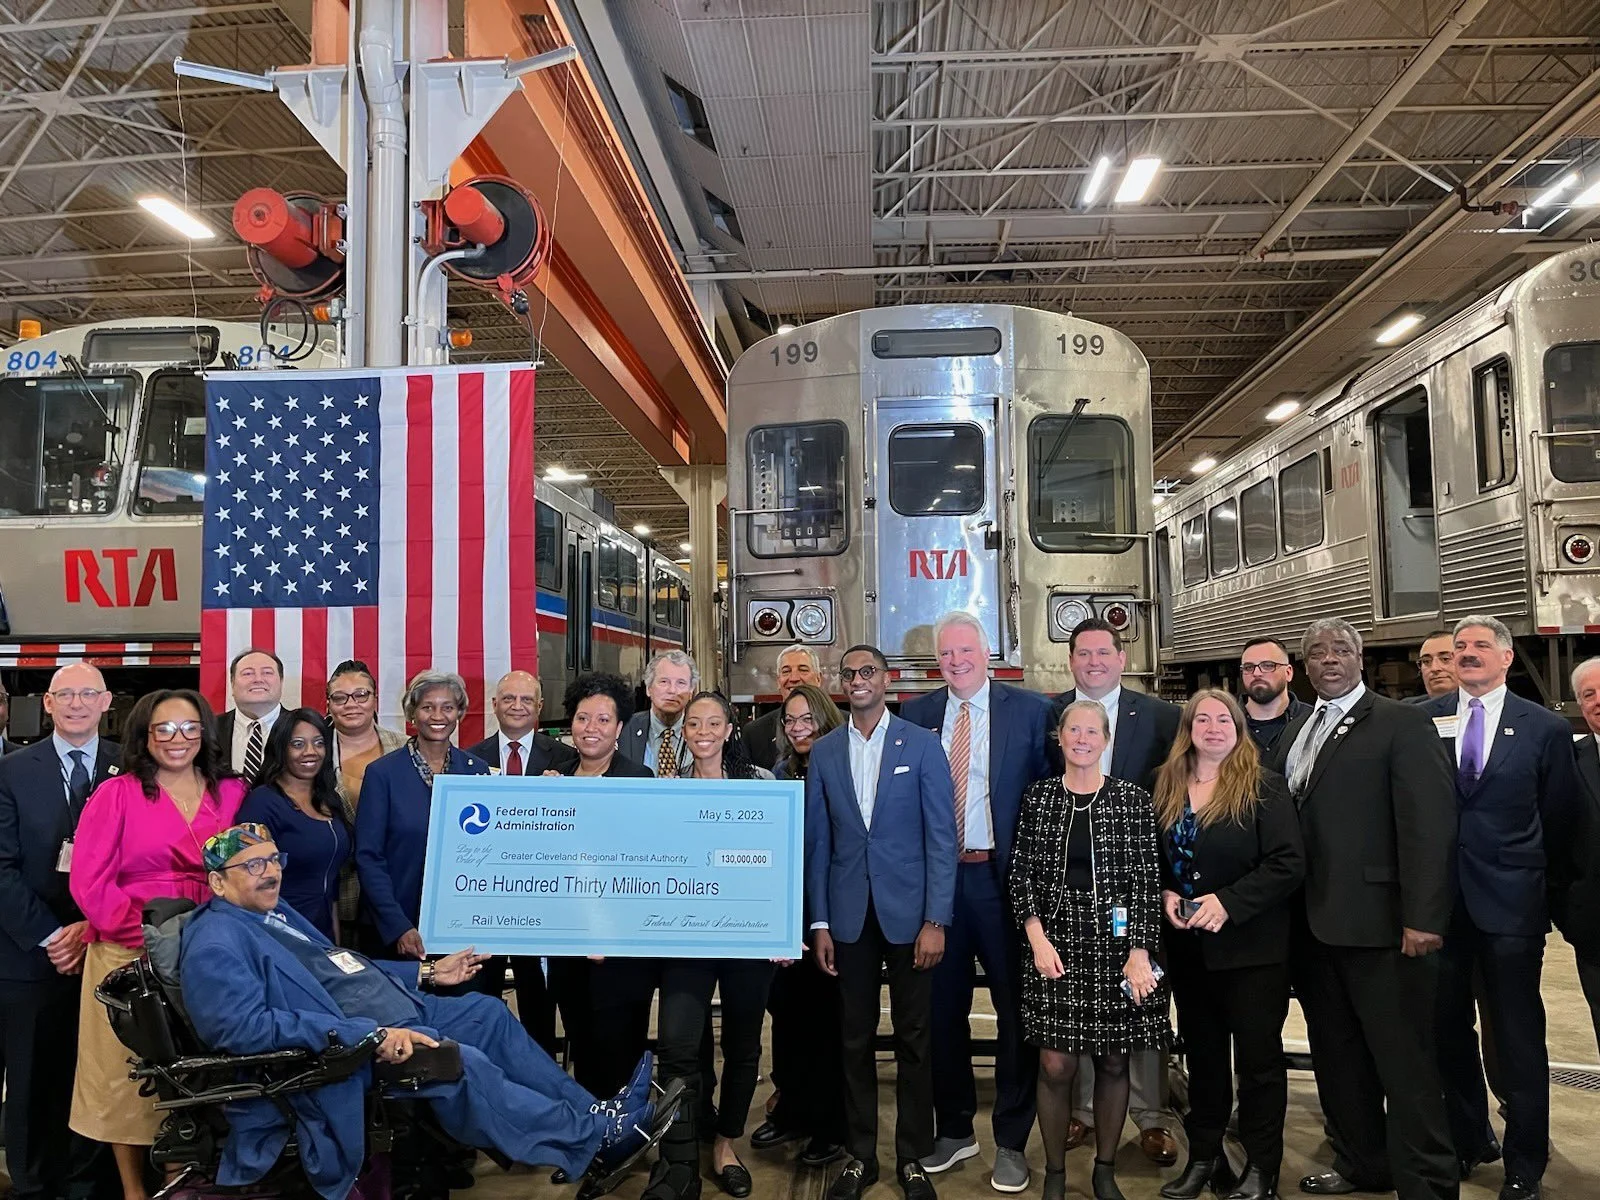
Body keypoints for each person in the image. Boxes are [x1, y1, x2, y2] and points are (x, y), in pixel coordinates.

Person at [179, 824, 669, 1200]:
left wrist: (428, 974)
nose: (270, 871)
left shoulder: (273, 912)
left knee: (485, 1012)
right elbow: (241, 1028)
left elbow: (343, 966)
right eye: (252, 866)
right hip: (343, 1051)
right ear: (218, 883)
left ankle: (598, 1113)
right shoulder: (215, 941)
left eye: (272, 859)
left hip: (395, 1006)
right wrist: (362, 1035)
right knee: (456, 1059)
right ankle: (594, 1140)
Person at [1265, 618, 1457, 1200]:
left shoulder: (1401, 722)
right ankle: (1362, 1164)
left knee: (1404, 1063)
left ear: (1361, 658)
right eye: (1317, 652)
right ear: (1302, 666)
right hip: (1313, 927)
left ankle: (1426, 1180)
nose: (1329, 659)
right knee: (1337, 1058)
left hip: (1381, 926)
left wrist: (1423, 916)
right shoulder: (1298, 729)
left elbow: (1428, 825)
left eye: (1341, 649)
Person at [1422, 616, 1581, 1200]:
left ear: (1507, 658)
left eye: (1480, 646)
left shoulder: (1542, 728)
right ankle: (1468, 1139)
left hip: (1511, 908)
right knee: (1446, 1030)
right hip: (1439, 907)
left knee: (1516, 1036)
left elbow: (1560, 818)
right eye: (1459, 646)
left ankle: (1524, 1164)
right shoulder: (1421, 719)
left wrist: (1541, 893)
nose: (1466, 655)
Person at [68, 688, 246, 1200]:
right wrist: (146, 936)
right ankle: (132, 1190)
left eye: (189, 727)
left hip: (207, 951)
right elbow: (88, 882)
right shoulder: (116, 793)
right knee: (124, 1076)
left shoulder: (229, 793)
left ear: (205, 734)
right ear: (145, 737)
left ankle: (181, 1178)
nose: (177, 739)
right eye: (163, 729)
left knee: (197, 1071)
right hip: (129, 954)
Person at [901, 611, 1052, 1192]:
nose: (957, 661)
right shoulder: (915, 716)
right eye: (947, 654)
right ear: (936, 660)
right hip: (940, 887)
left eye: (967, 651)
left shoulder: (1032, 712)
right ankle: (955, 1128)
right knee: (940, 1013)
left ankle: (1012, 1140)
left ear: (986, 653)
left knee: (1017, 1013)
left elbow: (1045, 803)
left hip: (1004, 883)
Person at [806, 644, 956, 1200]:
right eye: (849, 674)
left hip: (911, 917)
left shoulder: (921, 746)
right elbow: (819, 845)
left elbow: (942, 838)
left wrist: (936, 918)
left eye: (867, 671)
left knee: (916, 1037)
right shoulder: (824, 754)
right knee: (854, 1038)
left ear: (886, 679)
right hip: (849, 918)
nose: (858, 680)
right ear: (841, 684)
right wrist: (820, 922)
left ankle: (912, 1155)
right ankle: (860, 1154)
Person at [1012, 699, 1167, 1200]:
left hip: (1116, 943)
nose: (1081, 738)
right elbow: (1021, 876)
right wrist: (1035, 937)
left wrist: (1140, 949)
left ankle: (1104, 1169)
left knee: (1115, 1060)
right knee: (1056, 1065)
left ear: (1106, 740)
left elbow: (1146, 881)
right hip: (1053, 941)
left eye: (1091, 731)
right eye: (1072, 730)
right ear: (1060, 738)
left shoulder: (1131, 800)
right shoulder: (1038, 799)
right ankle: (1055, 1173)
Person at [1155, 690, 1304, 1200]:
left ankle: (1261, 1169)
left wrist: (1231, 902)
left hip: (1252, 951)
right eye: (1203, 719)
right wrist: (1166, 891)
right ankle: (1204, 1159)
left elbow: (1287, 863)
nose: (1213, 727)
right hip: (1190, 952)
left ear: (1238, 728)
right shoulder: (1167, 785)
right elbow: (1155, 858)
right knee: (1205, 1059)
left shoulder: (1264, 787)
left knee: (1259, 1064)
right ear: (1188, 728)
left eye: (1225, 719)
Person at [1048, 618, 1182, 1165]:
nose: (1094, 661)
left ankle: (1152, 1116)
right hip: (1071, 900)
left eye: (1105, 652)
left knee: (1141, 997)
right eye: (1084, 653)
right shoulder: (1049, 712)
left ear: (1123, 657)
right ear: (1071, 660)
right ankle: (1082, 1112)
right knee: (1078, 1006)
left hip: (1137, 888)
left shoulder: (1162, 717)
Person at [0, 663, 119, 1200]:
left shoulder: (131, 767)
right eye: (64, 694)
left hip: (111, 947)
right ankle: (31, 1186)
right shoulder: (11, 770)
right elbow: (0, 867)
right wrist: (54, 937)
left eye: (87, 693)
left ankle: (91, 1184)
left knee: (103, 1077)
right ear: (46, 704)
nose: (76, 703)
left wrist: (90, 929)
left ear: (107, 701)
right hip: (31, 957)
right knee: (31, 1080)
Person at [653, 692, 778, 1200]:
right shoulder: (666, 791)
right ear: (683, 733)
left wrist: (781, 927)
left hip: (747, 938)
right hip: (686, 938)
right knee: (679, 1046)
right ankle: (679, 1158)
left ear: (730, 730)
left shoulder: (763, 786)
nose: (703, 731)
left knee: (743, 1046)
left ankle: (726, 1143)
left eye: (713, 722)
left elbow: (778, 861)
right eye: (693, 723)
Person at [755, 682, 848, 1167]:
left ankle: (829, 1125)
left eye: (806, 719)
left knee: (825, 1024)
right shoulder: (778, 775)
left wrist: (822, 920)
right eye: (789, 721)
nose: (797, 729)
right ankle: (791, 1108)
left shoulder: (841, 770)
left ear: (825, 719)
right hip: (785, 918)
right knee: (787, 1019)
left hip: (828, 916)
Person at [467, 670, 578, 1052]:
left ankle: (543, 1083)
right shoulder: (469, 760)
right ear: (494, 705)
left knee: (539, 1008)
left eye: (526, 700)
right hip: (488, 902)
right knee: (483, 1000)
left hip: (542, 904)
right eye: (509, 699)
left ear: (540, 708)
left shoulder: (566, 762)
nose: (517, 707)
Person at [557, 673, 656, 1102]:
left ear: (619, 729)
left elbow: (645, 864)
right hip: (566, 942)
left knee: (621, 1044)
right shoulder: (553, 780)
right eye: (582, 718)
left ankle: (624, 1136)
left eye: (602, 719)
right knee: (582, 1042)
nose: (590, 728)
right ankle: (592, 1138)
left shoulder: (639, 779)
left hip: (620, 948)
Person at [353, 670, 491, 963]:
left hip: (458, 929)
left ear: (460, 714)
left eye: (448, 707)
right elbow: (368, 857)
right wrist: (398, 926)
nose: (437, 715)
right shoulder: (382, 774)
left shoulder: (476, 770)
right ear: (412, 713)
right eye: (428, 707)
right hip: (396, 929)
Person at [237, 709, 353, 942]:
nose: (310, 752)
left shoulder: (330, 799)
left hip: (322, 934)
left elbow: (331, 889)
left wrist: (337, 948)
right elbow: (246, 881)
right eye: (298, 744)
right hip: (279, 934)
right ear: (281, 748)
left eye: (318, 743)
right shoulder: (262, 802)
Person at [325, 660, 405, 947]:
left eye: (361, 695)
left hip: (398, 899)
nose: (351, 704)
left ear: (375, 699)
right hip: (336, 902)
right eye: (340, 697)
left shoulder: (406, 748)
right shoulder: (311, 753)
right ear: (329, 704)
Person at [1559, 656, 1600, 1053]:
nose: (1598, 700)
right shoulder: (1570, 761)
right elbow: (1557, 841)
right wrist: (1570, 913)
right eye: (1589, 694)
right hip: (1596, 933)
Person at [742, 645, 825, 771]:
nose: (794, 678)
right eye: (786, 671)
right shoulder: (754, 733)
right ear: (778, 681)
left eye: (803, 670)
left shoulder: (845, 724)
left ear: (819, 679)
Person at [622, 650, 698, 776]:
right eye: (664, 682)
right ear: (648, 688)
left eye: (681, 683)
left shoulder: (702, 733)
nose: (672, 690)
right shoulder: (625, 729)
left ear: (691, 692)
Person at [217, 648, 286, 776]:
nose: (258, 679)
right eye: (248, 674)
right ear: (232, 684)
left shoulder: (302, 727)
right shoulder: (211, 729)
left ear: (281, 682)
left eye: (267, 672)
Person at [1239, 637, 1310, 755]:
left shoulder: (1313, 721)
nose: (1256, 673)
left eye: (1268, 665)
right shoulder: (1225, 723)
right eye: (1248, 667)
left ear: (1288, 673)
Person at [1411, 632, 1459, 702]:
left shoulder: (1478, 707)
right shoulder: (1407, 710)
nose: (1435, 668)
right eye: (1426, 661)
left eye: (1445, 659)